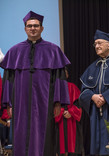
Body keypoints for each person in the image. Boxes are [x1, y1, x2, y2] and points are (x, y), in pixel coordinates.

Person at [0, 11, 70, 156]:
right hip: (20, 102)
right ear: (25, 28)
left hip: (45, 101)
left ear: (42, 28)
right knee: (21, 134)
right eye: (30, 26)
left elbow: (59, 78)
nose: (33, 28)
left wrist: (58, 103)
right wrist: (8, 104)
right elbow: (8, 79)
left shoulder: (53, 50)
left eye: (36, 26)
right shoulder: (14, 51)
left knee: (44, 136)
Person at [55, 68, 83, 156]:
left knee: (73, 149)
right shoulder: (54, 89)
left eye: (64, 73)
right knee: (59, 148)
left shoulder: (73, 87)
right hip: (58, 121)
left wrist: (71, 112)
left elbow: (78, 104)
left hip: (71, 120)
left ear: (67, 75)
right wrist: (61, 111)